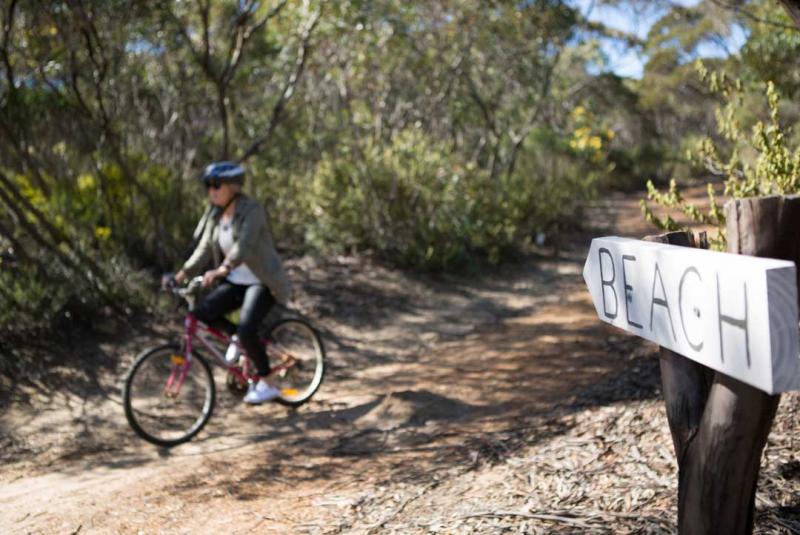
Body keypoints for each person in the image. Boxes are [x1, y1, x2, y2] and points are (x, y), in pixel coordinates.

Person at [172, 161, 291, 404]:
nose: (211, 190)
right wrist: (180, 275)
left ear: (233, 187)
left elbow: (244, 246)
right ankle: (238, 339)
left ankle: (267, 383)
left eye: (216, 185)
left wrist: (222, 269)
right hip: (237, 282)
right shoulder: (216, 215)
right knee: (201, 314)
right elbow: (204, 249)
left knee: (248, 329)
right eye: (208, 185)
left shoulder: (252, 210)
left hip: (263, 282)